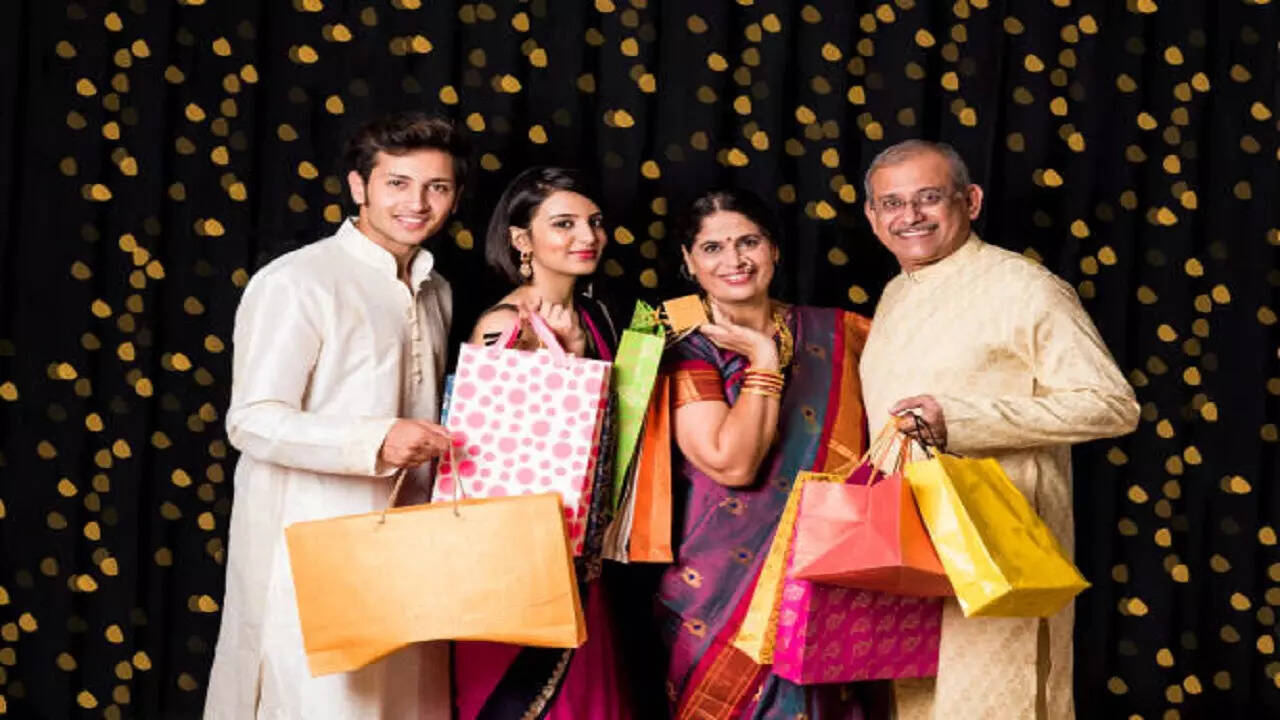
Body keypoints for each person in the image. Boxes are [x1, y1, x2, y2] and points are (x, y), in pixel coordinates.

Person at [857, 139, 1140, 720]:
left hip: (1000, 547)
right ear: (872, 216)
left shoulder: (1023, 287)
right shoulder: (894, 294)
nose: (910, 216)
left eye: (929, 197)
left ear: (971, 201)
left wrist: (961, 421)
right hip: (907, 551)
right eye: (892, 203)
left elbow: (1112, 405)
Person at [204, 112, 469, 719]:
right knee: (322, 702)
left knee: (406, 701)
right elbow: (252, 420)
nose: (417, 203)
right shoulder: (300, 281)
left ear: (455, 198)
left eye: (437, 187)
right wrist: (376, 439)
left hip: (409, 544)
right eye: (397, 183)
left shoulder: (437, 289)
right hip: (309, 543)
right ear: (358, 186)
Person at [652, 188, 887, 719]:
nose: (734, 260)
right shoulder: (685, 345)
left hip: (828, 572)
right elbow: (732, 463)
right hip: (716, 587)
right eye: (712, 248)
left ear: (774, 249)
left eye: (748, 242)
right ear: (689, 261)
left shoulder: (843, 333)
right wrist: (763, 359)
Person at [455, 166, 631, 719]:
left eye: (594, 222)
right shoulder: (505, 324)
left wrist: (576, 355)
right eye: (564, 224)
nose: (587, 236)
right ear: (521, 239)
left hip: (583, 551)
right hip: (521, 562)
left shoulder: (595, 316)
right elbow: (486, 452)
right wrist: (566, 364)